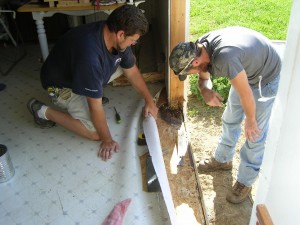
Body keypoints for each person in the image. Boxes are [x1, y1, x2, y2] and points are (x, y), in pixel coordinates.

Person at [27, 5, 158, 161]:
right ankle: (41, 111)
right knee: (96, 133)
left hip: (80, 72)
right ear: (121, 34)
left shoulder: (112, 32)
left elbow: (131, 71)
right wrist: (107, 140)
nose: (133, 44)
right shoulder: (89, 56)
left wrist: (149, 100)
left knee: (128, 62)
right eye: (133, 41)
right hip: (59, 85)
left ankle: (92, 88)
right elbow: (95, 106)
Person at [169, 26, 281, 204]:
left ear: (195, 63)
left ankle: (246, 181)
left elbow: (246, 94)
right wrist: (205, 90)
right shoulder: (200, 49)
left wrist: (251, 121)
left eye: (187, 73)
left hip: (264, 79)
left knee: (254, 134)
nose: (189, 75)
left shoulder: (225, 59)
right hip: (245, 71)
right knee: (230, 119)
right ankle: (223, 160)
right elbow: (204, 78)